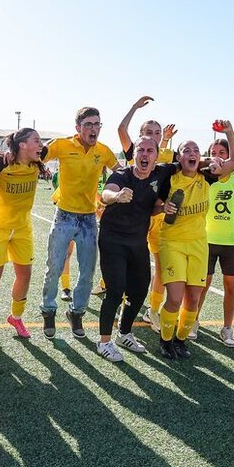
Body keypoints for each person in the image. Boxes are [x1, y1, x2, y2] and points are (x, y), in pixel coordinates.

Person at [156, 125, 234, 359]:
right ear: (179, 156)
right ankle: (165, 341)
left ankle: (180, 340)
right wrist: (163, 207)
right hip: (172, 242)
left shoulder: (208, 177)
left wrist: (229, 131)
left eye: (195, 150)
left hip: (198, 244)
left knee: (193, 299)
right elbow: (152, 206)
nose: (192, 153)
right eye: (186, 150)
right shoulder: (169, 178)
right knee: (175, 298)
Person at [39, 106, 119, 339]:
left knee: (87, 272)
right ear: (78, 128)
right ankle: (49, 310)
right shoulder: (62, 145)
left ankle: (77, 312)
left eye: (97, 124)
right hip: (64, 215)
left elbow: (121, 172)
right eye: (88, 125)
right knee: (54, 267)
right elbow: (36, 156)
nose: (93, 129)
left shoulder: (104, 151)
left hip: (88, 218)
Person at [95, 135, 176, 361]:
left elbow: (194, 160)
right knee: (115, 289)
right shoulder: (122, 175)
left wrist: (161, 208)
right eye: (141, 150)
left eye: (150, 151)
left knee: (140, 289)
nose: (145, 155)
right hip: (113, 240)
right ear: (134, 154)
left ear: (156, 156)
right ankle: (103, 342)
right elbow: (106, 193)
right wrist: (117, 196)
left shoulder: (162, 173)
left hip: (137, 241)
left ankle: (124, 332)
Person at [187, 125, 234, 347]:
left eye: (221, 153)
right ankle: (192, 321)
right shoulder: (204, 175)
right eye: (213, 153)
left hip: (233, 242)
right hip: (205, 239)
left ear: (230, 157)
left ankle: (227, 328)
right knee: (201, 285)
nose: (216, 157)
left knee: (231, 286)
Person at [114, 95, 176, 330]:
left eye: (157, 132)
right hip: (136, 216)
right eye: (148, 131)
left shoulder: (169, 157)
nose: (153, 134)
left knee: (160, 267)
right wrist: (134, 107)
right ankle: (125, 304)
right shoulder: (137, 152)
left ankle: (153, 310)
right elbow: (121, 128)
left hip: (159, 216)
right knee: (130, 265)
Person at [0, 128, 47, 338]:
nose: (41, 145)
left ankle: (16, 317)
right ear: (22, 145)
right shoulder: (2, 163)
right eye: (36, 140)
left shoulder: (37, 159)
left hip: (23, 228)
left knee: (25, 274)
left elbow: (59, 147)